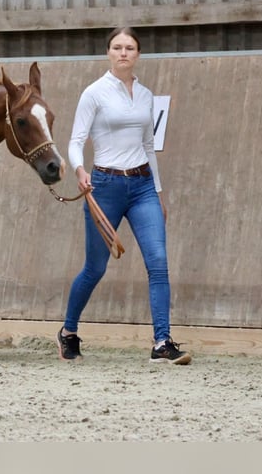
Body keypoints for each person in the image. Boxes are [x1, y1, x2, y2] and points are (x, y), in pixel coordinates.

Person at [56, 26, 192, 365]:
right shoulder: (94, 93)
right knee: (95, 268)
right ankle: (68, 332)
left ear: (138, 54)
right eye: (117, 47)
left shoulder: (145, 95)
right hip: (105, 186)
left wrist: (158, 192)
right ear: (108, 53)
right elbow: (75, 141)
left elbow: (149, 146)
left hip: (143, 185)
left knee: (158, 263)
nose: (123, 53)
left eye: (129, 48)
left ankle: (162, 342)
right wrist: (79, 170)